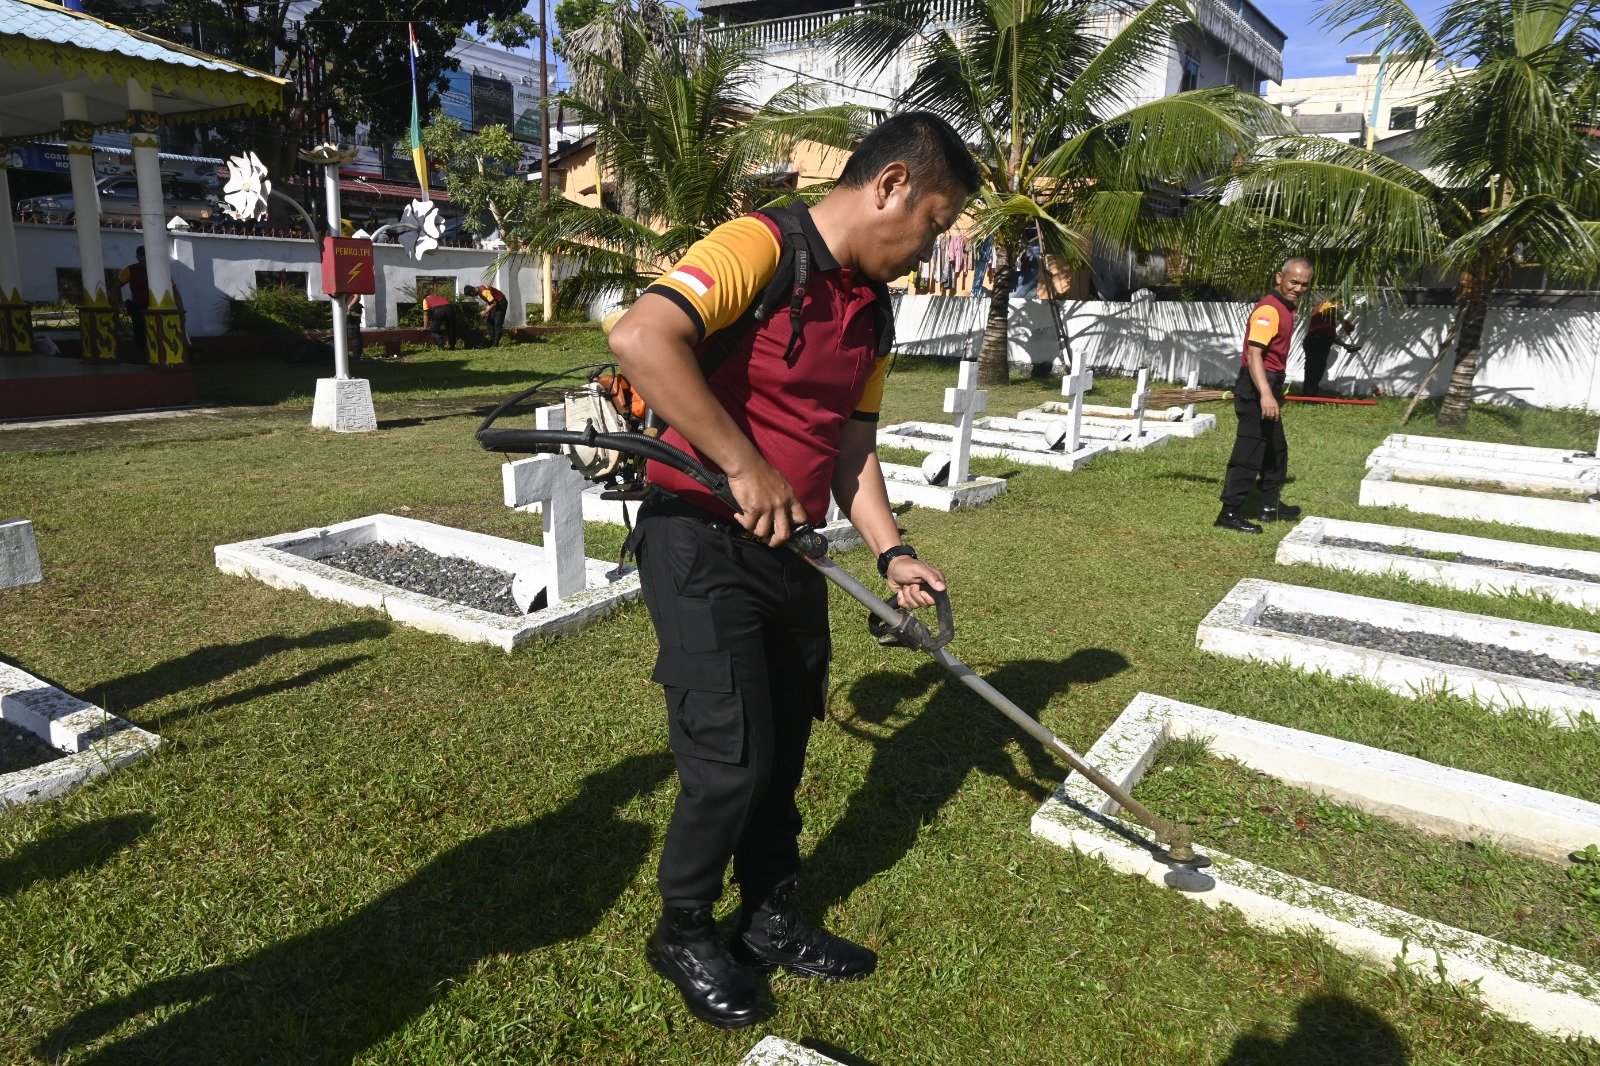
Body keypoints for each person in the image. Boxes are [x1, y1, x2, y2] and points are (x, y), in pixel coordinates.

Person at [607, 112, 980, 1030]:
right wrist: (742, 464)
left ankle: (771, 916)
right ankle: (684, 928)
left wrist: (893, 551)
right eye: (933, 223)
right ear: (890, 184)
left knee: (784, 749)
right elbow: (641, 340)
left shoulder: (874, 305)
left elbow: (851, 445)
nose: (929, 247)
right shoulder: (760, 244)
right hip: (699, 538)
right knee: (730, 757)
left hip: (792, 548)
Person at [1216, 257, 1312, 534]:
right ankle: (1229, 513)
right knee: (1249, 452)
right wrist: (1266, 396)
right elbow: (1255, 355)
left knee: (1275, 450)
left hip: (1268, 386)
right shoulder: (1269, 310)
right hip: (1256, 389)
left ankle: (1270, 506)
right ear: (1279, 278)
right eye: (1293, 281)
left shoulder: (1285, 307)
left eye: (1304, 284)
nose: (1298, 288)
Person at [1300, 295, 1354, 396]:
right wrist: (1344, 322)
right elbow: (1332, 311)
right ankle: (1308, 393)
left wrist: (1345, 345)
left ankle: (1312, 392)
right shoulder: (1324, 307)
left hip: (1323, 341)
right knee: (1313, 367)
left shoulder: (1330, 320)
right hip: (1314, 340)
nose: (1342, 308)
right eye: (1341, 305)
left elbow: (1331, 336)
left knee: (1319, 367)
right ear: (1337, 302)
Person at [118, 247, 148, 362]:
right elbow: (116, 286)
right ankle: (141, 360)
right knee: (140, 336)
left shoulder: (157, 268)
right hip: (138, 309)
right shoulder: (130, 270)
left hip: (154, 309)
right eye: (141, 257)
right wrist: (119, 304)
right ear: (137, 257)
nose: (144, 259)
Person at [345, 293, 365, 364]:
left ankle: (356, 357)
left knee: (353, 333)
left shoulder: (353, 282)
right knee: (348, 333)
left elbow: (357, 297)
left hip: (352, 311)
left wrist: (349, 307)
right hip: (347, 310)